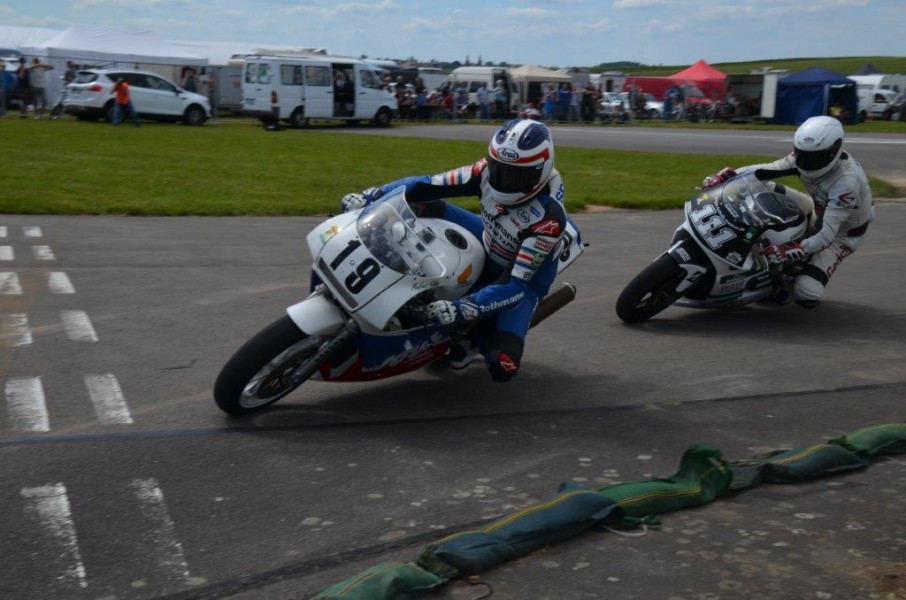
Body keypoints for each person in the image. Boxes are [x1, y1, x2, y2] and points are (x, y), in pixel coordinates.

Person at [339, 119, 581, 382]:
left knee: (504, 367)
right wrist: (372, 195)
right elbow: (426, 184)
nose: (503, 181)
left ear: (540, 171)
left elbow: (514, 284)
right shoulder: (484, 171)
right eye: (499, 169)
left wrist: (466, 307)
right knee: (423, 204)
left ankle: (472, 342)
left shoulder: (549, 219)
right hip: (488, 236)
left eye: (516, 175)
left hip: (522, 277)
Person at [700, 116, 873, 309]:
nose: (807, 163)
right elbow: (767, 170)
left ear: (834, 150)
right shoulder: (804, 156)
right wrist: (728, 176)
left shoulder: (847, 182)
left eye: (815, 157)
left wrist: (785, 251)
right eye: (802, 155)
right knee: (757, 187)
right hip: (815, 208)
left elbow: (826, 233)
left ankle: (782, 282)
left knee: (806, 293)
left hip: (842, 234)